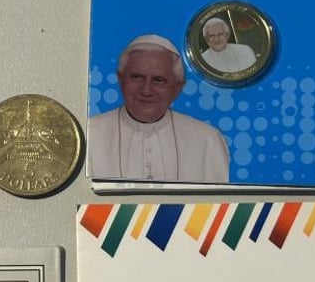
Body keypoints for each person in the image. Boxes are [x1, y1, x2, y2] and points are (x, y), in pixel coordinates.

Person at [88, 34, 230, 182]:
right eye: (137, 77)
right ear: (120, 78)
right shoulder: (90, 135)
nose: (146, 90)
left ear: (177, 87)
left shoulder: (207, 140)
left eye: (159, 80)